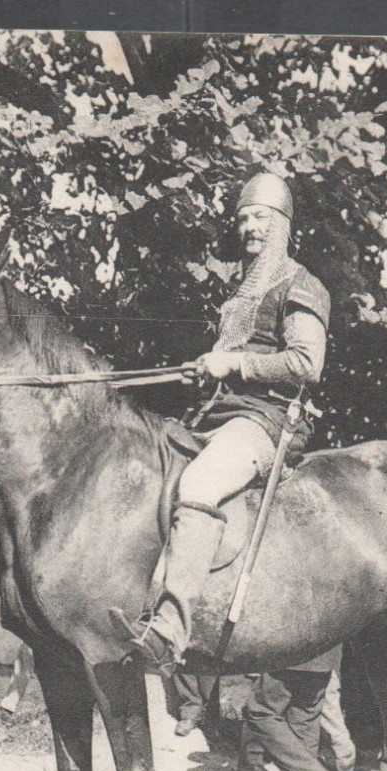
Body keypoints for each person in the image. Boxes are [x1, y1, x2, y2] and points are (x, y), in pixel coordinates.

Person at [111, 171, 330, 675]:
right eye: (243, 218)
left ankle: (169, 632)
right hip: (220, 415)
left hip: (271, 420)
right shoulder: (238, 292)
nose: (250, 226)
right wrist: (206, 368)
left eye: (261, 217)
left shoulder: (302, 285)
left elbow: (305, 364)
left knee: (200, 484)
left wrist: (232, 364)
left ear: (283, 224)